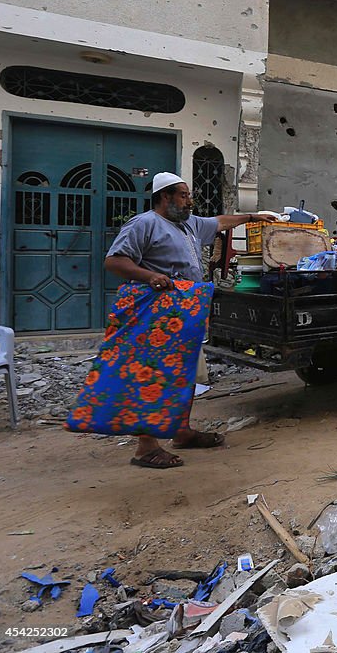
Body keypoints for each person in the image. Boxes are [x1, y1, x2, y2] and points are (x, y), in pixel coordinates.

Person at [99, 172, 278, 468]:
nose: (190, 201)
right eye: (184, 195)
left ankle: (181, 432)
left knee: (184, 375)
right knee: (155, 377)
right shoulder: (144, 224)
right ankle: (146, 447)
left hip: (185, 312)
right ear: (164, 197)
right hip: (157, 314)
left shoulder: (189, 224)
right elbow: (114, 261)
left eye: (190, 195)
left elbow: (219, 222)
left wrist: (253, 216)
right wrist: (151, 276)